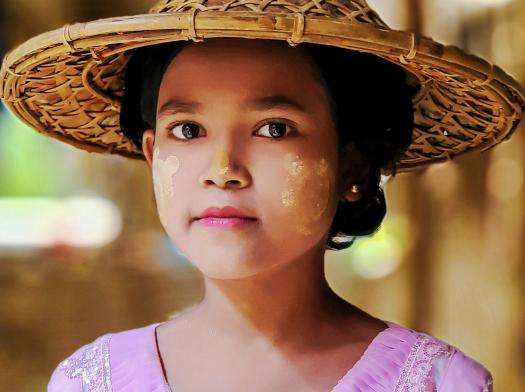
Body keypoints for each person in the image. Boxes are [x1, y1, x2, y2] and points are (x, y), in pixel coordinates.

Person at [2, 1, 522, 391]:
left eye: (274, 129)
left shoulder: (439, 382)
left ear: (351, 166)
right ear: (152, 153)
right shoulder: (91, 382)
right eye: (188, 131)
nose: (223, 170)